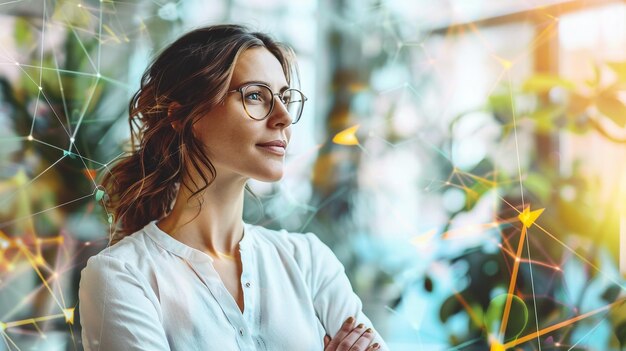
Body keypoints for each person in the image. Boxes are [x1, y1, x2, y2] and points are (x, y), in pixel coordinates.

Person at [79, 24, 388, 351]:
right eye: (255, 95)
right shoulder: (120, 277)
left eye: (284, 97)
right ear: (184, 116)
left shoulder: (308, 261)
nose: (283, 117)